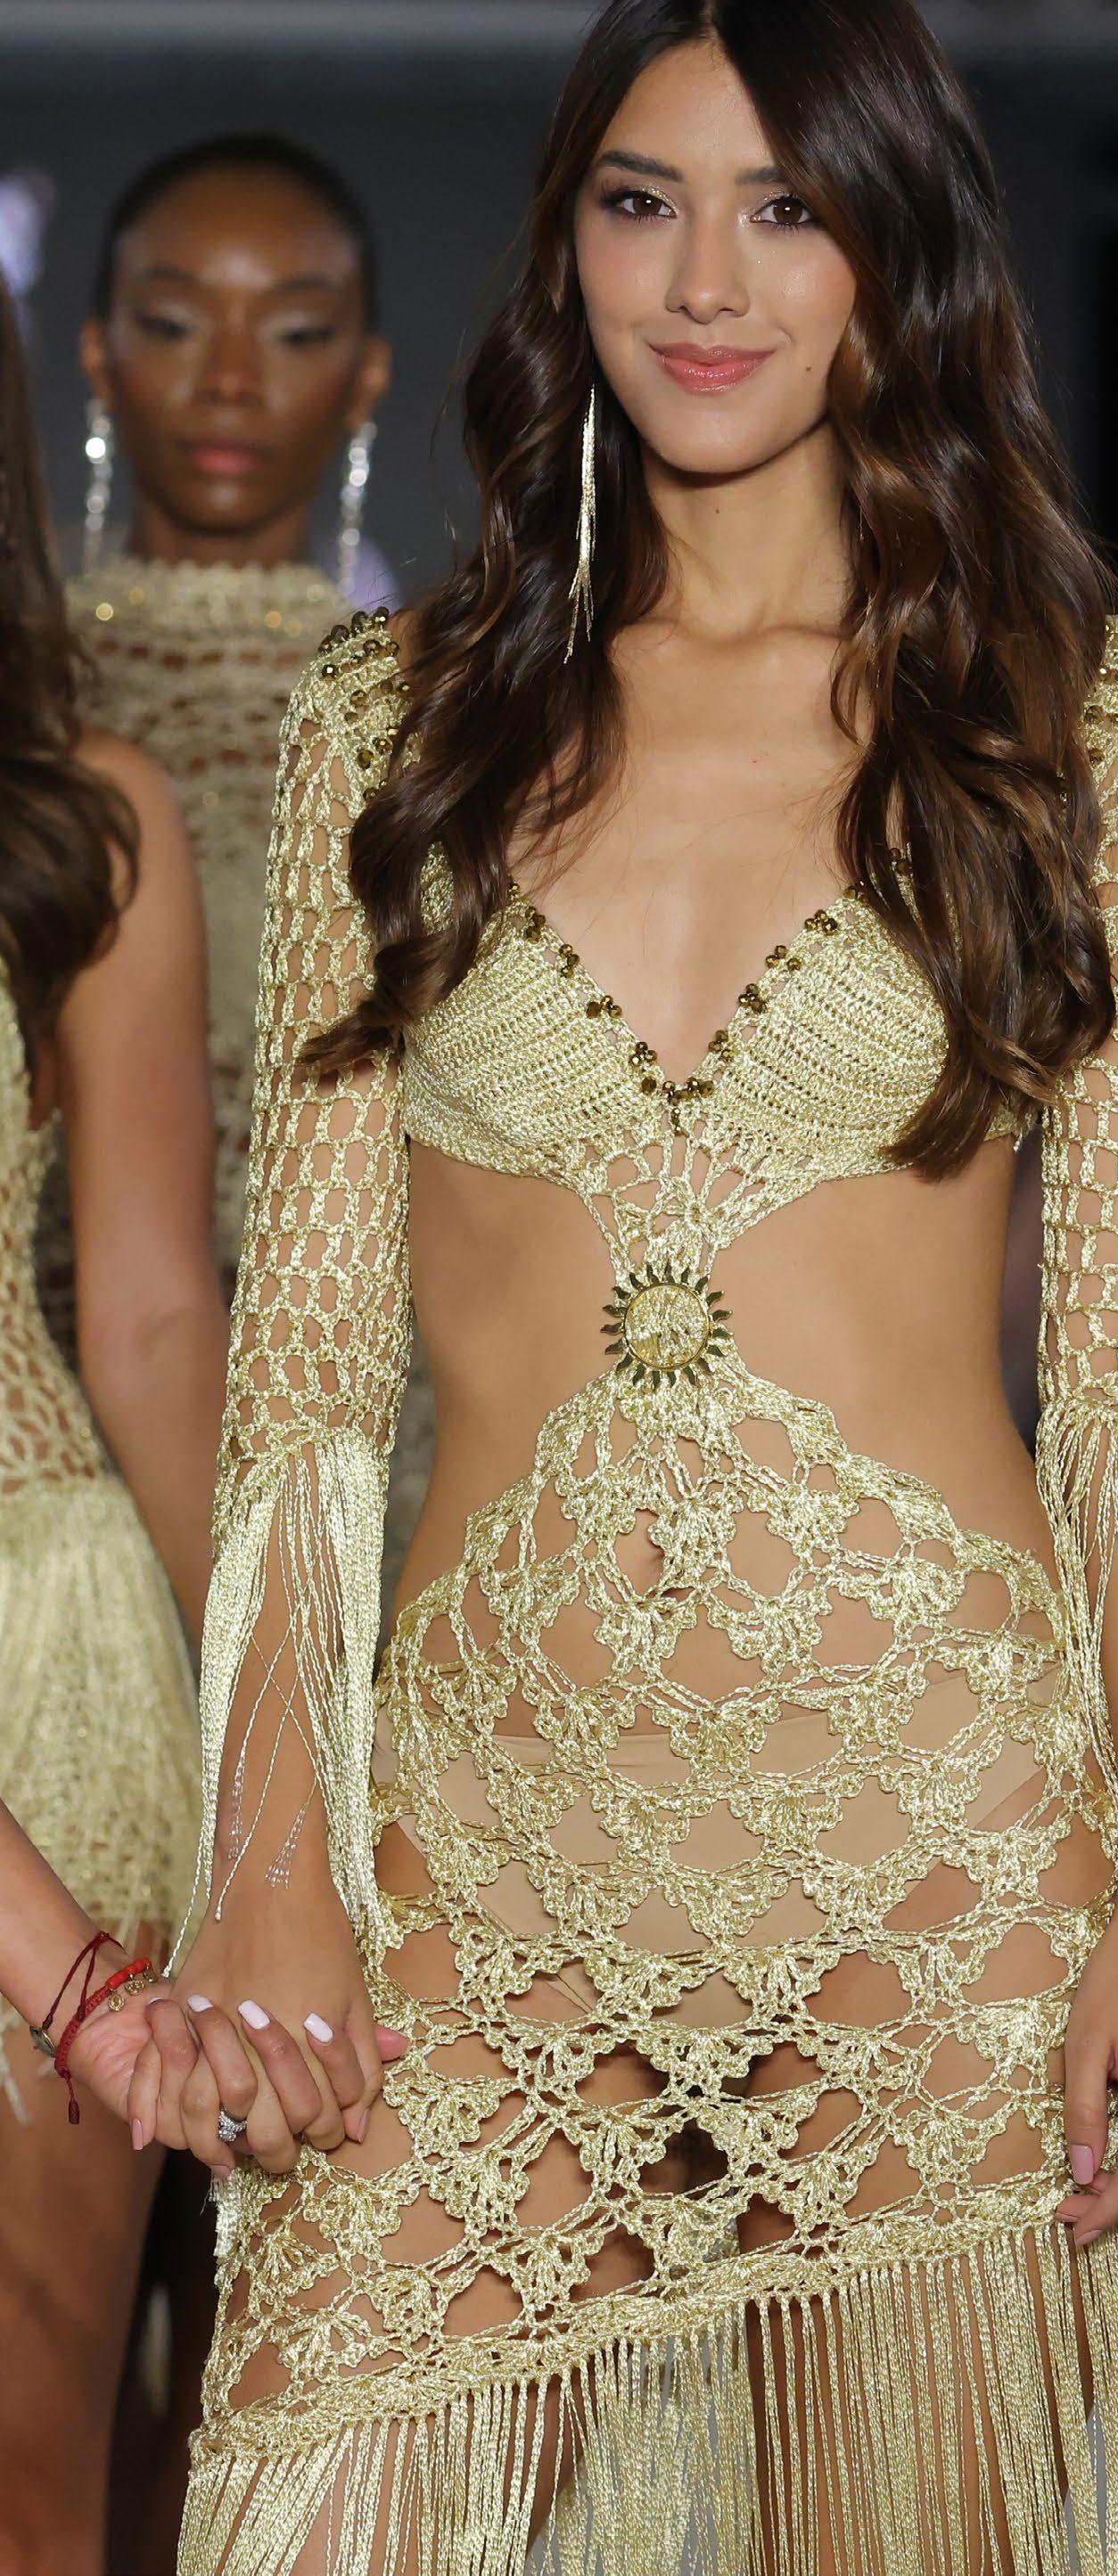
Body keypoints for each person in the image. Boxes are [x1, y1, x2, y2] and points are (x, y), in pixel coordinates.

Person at [135, 0, 1118, 2568]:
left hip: (932, 1825)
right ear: (563, 245)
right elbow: (305, 1372)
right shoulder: (400, 725)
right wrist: (272, 1849)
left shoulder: (1063, 720)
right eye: (638, 201)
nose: (703, 282)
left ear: (897, 250)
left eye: (785, 209)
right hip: (481, 1831)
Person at [61, 134, 432, 1628]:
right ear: (97, 353)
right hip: (56, 1452)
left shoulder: (453, 721)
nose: (228, 382)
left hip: (378, 1434)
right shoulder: (32, 715)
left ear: (365, 375)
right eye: (172, 321)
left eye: (291, 332)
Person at [0, 266, 229, 2572]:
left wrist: (281, 1774)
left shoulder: (81, 818)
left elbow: (154, 1313)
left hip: (42, 1677)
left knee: (25, 2480)